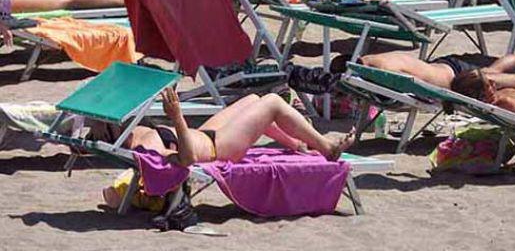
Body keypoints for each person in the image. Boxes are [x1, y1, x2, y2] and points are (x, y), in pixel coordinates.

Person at [107, 88, 354, 168]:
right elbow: (187, 159)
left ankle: (297, 144)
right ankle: (327, 147)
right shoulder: (145, 146)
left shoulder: (136, 133)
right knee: (273, 102)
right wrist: (177, 117)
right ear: (114, 133)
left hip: (206, 133)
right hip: (218, 148)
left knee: (253, 101)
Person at [330, 44, 515, 91]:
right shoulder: (376, 59)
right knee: (500, 73)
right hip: (448, 69)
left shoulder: (380, 73)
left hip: (455, 79)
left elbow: (411, 88)